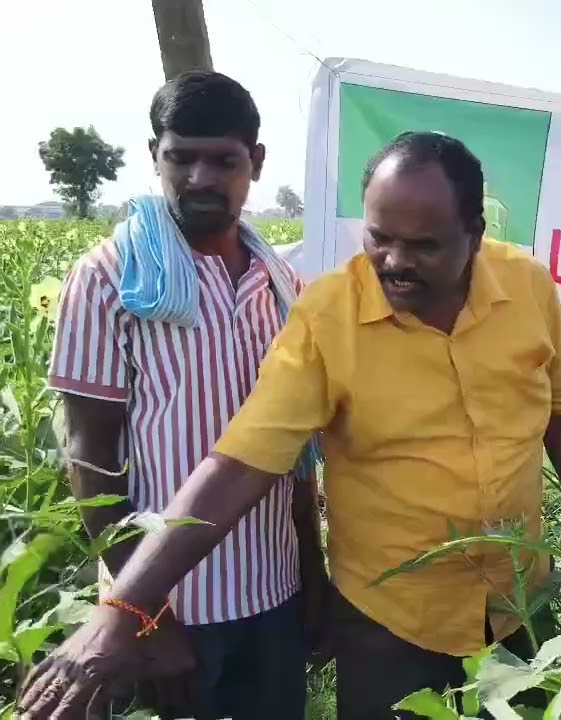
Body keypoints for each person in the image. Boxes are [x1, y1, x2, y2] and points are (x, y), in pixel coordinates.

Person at [18, 131, 561, 719]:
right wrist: (125, 608)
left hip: (521, 606)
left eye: (424, 246)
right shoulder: (328, 317)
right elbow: (238, 465)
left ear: (475, 236)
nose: (396, 262)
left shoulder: (527, 287)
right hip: (394, 621)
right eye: (380, 238)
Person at [33, 70, 326, 719]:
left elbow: (295, 453)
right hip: (171, 608)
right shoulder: (111, 278)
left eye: (222, 160)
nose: (199, 179)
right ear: (153, 157)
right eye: (180, 158)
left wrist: (312, 571)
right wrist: (144, 614)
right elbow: (91, 460)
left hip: (271, 592)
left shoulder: (282, 282)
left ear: (256, 163)